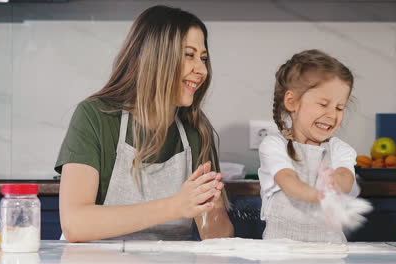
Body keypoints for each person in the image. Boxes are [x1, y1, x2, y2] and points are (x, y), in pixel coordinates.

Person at [55, 5, 233, 242]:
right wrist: (176, 206)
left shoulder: (196, 132)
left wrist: (211, 207)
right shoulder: (96, 116)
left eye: (203, 58)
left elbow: (217, 239)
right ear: (155, 57)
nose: (201, 70)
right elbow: (75, 224)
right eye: (189, 55)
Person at [258, 49, 360, 243]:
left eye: (340, 108)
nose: (332, 114)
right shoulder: (273, 145)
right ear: (292, 102)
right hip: (281, 253)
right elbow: (287, 180)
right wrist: (320, 195)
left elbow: (345, 178)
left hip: (330, 253)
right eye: (323, 104)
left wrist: (334, 183)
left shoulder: (340, 149)